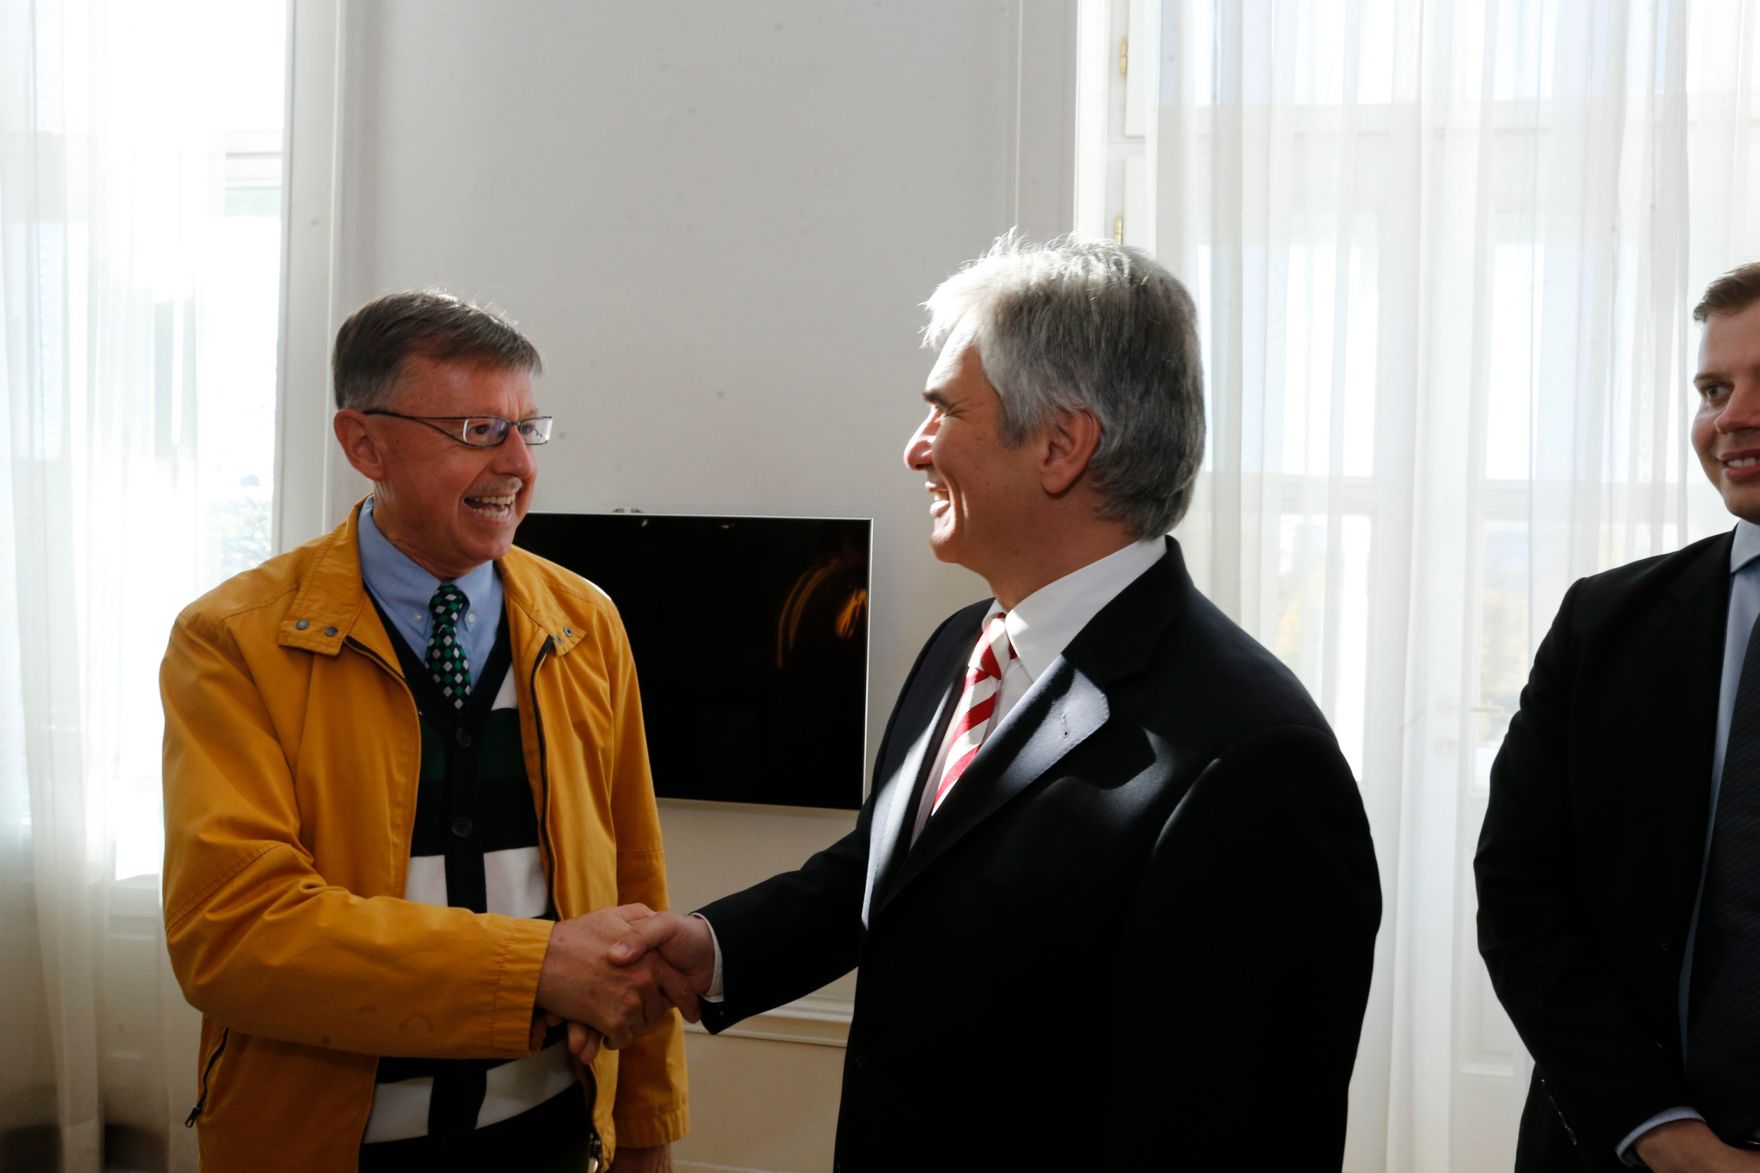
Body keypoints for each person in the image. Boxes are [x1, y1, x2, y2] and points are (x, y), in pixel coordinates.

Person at [605, 235, 1383, 1170]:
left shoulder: (1253, 761)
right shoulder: (961, 643)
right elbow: (894, 871)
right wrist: (717, 947)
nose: (916, 447)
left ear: (1061, 445)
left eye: (945, 410)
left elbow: (1234, 1132)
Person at [160, 291, 689, 1171]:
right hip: (331, 1149)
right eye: (479, 429)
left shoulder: (586, 620)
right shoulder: (232, 640)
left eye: (528, 428)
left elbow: (637, 878)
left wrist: (645, 1123)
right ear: (364, 444)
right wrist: (536, 967)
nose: (518, 463)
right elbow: (235, 931)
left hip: (556, 1136)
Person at [1477, 262, 1760, 1172]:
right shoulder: (1603, 623)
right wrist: (1662, 1133)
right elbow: (1520, 891)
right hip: (1616, 1147)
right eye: (1714, 390)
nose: (1733, 417)